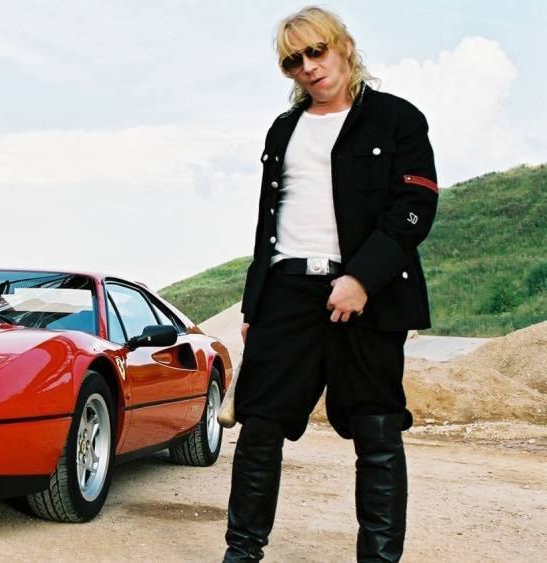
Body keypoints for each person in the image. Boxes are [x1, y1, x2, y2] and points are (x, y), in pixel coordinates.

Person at [224, 6, 438, 562]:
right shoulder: (284, 129)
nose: (308, 67)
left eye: (316, 51)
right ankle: (241, 554)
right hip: (286, 291)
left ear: (343, 45)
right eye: (293, 61)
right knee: (260, 427)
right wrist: (255, 305)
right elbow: (268, 222)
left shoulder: (396, 119)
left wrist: (362, 278)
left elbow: (415, 207)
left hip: (370, 295)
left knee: (376, 429)